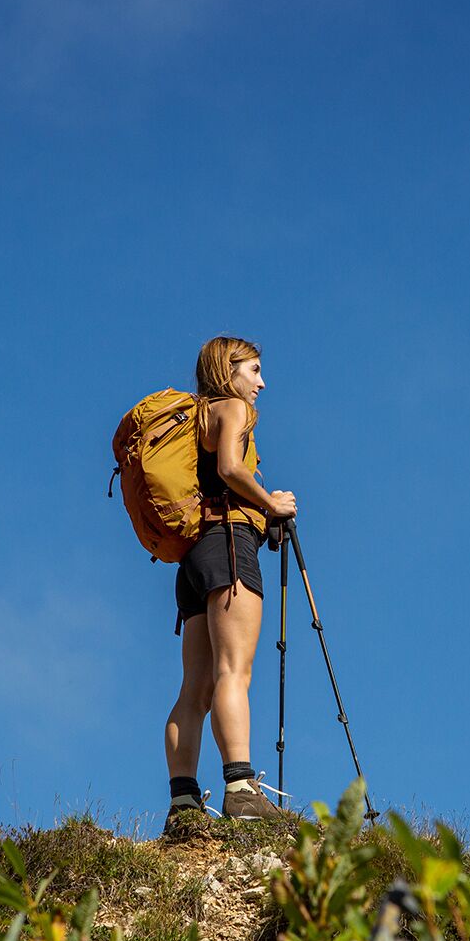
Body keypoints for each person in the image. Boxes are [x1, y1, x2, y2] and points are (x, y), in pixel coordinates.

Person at [163, 336, 297, 831]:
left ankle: (183, 803)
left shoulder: (197, 417)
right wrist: (270, 503)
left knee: (194, 688)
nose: (262, 382)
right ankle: (240, 788)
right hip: (229, 547)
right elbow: (230, 468)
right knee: (232, 672)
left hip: (194, 557)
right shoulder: (234, 408)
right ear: (229, 369)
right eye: (254, 370)